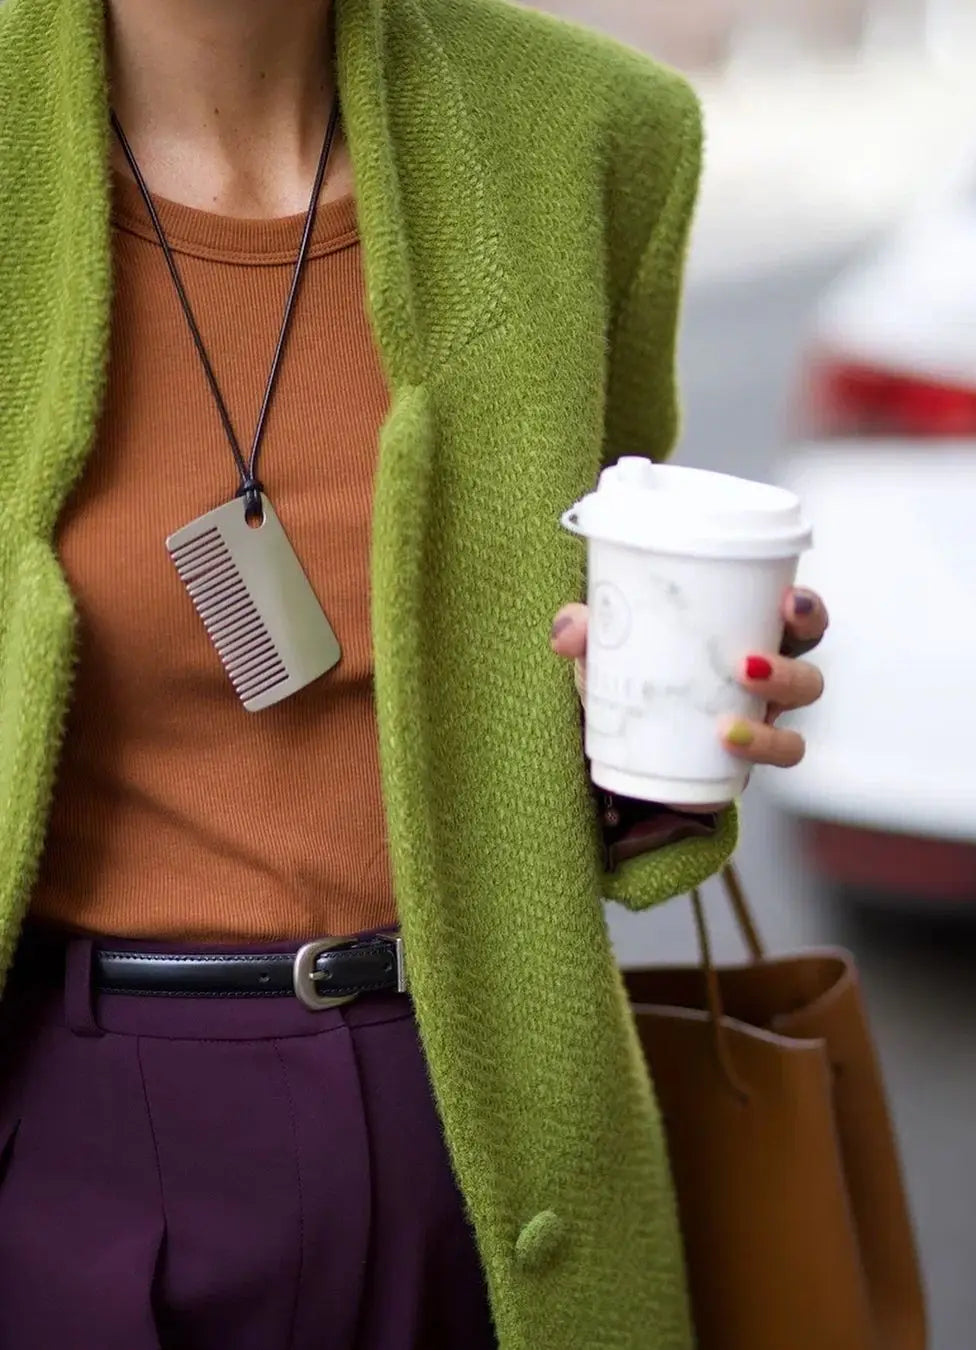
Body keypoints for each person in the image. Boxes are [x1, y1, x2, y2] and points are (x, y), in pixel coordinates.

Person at [0, 0, 828, 1346]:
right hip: (70, 1133)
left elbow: (583, 658)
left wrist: (676, 731)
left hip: (485, 1124)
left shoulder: (592, 137)